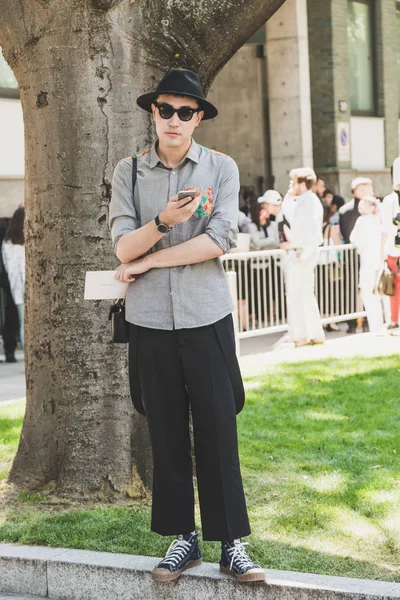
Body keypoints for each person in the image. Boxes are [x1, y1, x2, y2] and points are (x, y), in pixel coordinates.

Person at [109, 68, 265, 584]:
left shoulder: (221, 168)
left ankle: (232, 545)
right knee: (165, 429)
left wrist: (151, 261)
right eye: (166, 110)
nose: (174, 120)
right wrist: (164, 225)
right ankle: (184, 538)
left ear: (198, 118)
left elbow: (219, 240)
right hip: (149, 321)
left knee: (219, 426)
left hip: (206, 315)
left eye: (185, 112)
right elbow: (121, 247)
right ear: (153, 112)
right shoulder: (128, 172)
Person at [283, 168, 325, 346]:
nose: (291, 185)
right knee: (304, 294)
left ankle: (302, 336)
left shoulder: (309, 201)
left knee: (298, 294)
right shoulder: (302, 200)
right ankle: (310, 334)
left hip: (302, 252)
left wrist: (304, 253)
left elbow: (314, 231)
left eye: (293, 182)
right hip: (300, 251)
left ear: (302, 183)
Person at [339, 177, 373, 333]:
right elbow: (348, 235)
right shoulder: (346, 211)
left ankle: (367, 320)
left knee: (369, 288)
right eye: (362, 188)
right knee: (351, 289)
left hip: (368, 255)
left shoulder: (374, 208)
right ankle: (353, 322)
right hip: (353, 256)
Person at [350, 196, 385, 334]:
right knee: (379, 294)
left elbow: (354, 239)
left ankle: (375, 326)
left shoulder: (362, 221)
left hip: (368, 261)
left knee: (368, 294)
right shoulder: (379, 220)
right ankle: (381, 324)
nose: (360, 207)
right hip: (379, 260)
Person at [1, 207, 25, 351]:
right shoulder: (25, 242)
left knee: (23, 320)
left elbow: (7, 264)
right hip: (24, 284)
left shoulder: (7, 243)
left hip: (14, 285)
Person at [381, 158, 400, 331]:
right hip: (393, 250)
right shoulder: (389, 201)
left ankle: (394, 320)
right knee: (394, 286)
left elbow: (385, 229)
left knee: (394, 287)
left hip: (392, 250)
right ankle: (393, 319)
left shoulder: (388, 201)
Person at [0, 218, 19, 362]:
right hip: (9, 284)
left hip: (7, 283)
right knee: (11, 317)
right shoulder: (9, 243)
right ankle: (10, 351)